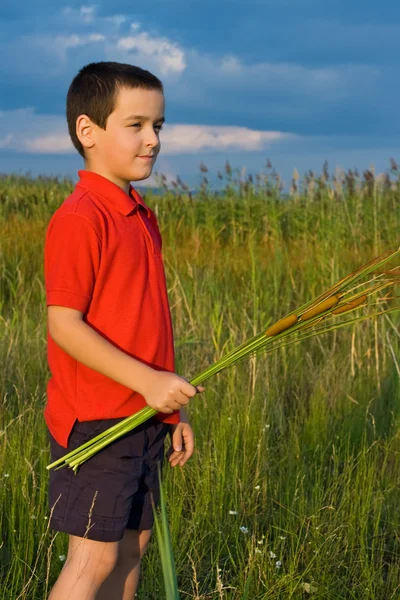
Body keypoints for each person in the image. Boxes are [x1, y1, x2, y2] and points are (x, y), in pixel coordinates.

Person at [44, 61, 205, 600]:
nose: (153, 139)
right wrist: (148, 382)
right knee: (93, 558)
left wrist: (169, 408)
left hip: (143, 415)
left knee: (132, 547)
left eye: (158, 125)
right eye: (135, 125)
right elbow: (65, 325)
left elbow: (150, 329)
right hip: (97, 421)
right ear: (88, 131)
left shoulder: (138, 214)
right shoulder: (81, 216)